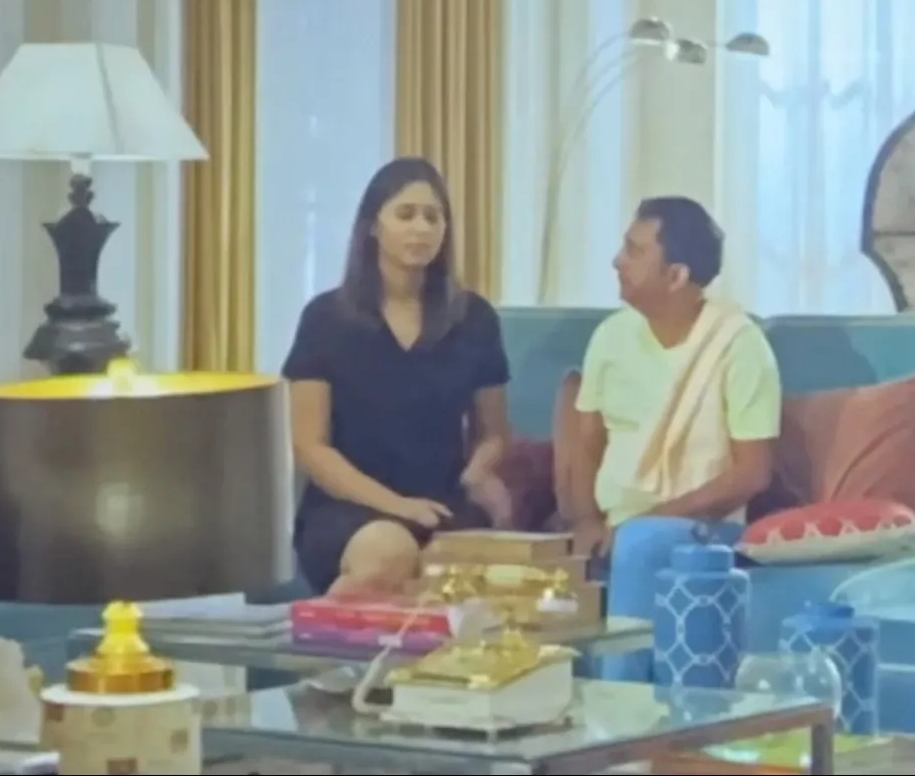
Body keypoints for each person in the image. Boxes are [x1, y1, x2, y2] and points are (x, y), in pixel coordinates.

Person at [565, 196, 781, 683]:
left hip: (705, 527)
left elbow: (752, 473)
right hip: (616, 525)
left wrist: (646, 521)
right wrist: (585, 519)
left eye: (634, 251)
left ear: (676, 275)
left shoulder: (738, 345)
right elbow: (586, 442)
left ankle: (618, 710)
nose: (616, 261)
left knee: (641, 542)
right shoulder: (610, 337)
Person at [283, 157, 513, 596]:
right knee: (389, 553)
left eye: (433, 217)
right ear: (373, 225)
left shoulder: (474, 318)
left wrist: (479, 473)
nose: (421, 228)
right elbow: (309, 445)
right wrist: (396, 506)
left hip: (443, 505)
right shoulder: (326, 319)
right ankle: (320, 637)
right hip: (349, 507)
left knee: (470, 573)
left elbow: (495, 433)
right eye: (406, 215)